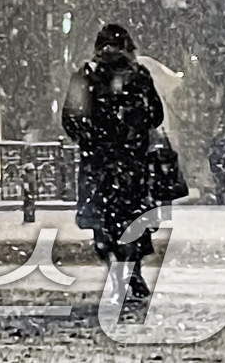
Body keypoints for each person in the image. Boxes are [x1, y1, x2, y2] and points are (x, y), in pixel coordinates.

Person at [62, 23, 164, 307]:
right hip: (132, 163)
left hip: (99, 164)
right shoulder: (138, 76)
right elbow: (156, 115)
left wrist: (92, 139)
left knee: (102, 225)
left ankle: (118, 272)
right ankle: (133, 270)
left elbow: (70, 118)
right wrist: (132, 128)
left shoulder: (85, 76)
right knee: (134, 220)